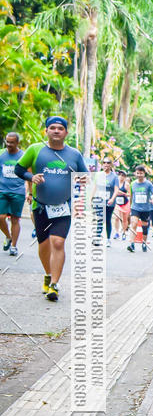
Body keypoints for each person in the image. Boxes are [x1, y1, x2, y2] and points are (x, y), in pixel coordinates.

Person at [15, 116, 88, 301]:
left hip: (64, 207)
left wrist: (83, 180)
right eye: (52, 128)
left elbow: (85, 175)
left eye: (60, 128)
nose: (56, 131)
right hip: (40, 206)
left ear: (66, 133)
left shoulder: (74, 154)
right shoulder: (35, 149)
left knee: (58, 242)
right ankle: (48, 274)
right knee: (44, 244)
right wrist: (31, 178)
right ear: (46, 131)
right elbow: (18, 169)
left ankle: (54, 285)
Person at [0, 131, 26, 256]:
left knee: (15, 220)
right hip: (2, 190)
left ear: (17, 142)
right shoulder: (1, 155)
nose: (8, 144)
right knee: (0, 217)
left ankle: (14, 246)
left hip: (18, 192)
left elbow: (28, 173)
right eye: (7, 141)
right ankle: (8, 237)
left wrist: (31, 193)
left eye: (11, 142)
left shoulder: (23, 156)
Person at [126, 165, 153, 253]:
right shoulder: (133, 184)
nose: (139, 175)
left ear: (144, 173)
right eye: (137, 173)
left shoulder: (148, 184)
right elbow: (131, 196)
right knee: (133, 223)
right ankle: (132, 244)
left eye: (141, 173)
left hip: (146, 209)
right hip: (135, 208)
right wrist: (129, 207)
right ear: (135, 173)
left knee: (144, 227)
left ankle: (144, 243)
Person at [96, 155, 119, 246]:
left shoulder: (114, 177)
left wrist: (112, 199)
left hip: (110, 202)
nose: (106, 164)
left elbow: (116, 189)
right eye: (104, 162)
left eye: (108, 163)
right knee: (100, 219)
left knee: (107, 219)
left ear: (111, 165)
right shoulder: (98, 175)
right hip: (99, 200)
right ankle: (97, 238)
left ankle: (108, 239)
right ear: (102, 164)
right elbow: (95, 187)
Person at [113, 170, 131, 239]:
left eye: (123, 175)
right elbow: (114, 191)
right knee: (116, 217)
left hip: (125, 203)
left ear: (125, 177)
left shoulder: (126, 184)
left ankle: (123, 232)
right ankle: (117, 232)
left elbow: (129, 194)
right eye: (120, 175)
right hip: (117, 203)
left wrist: (124, 194)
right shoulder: (115, 183)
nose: (121, 177)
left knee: (124, 219)